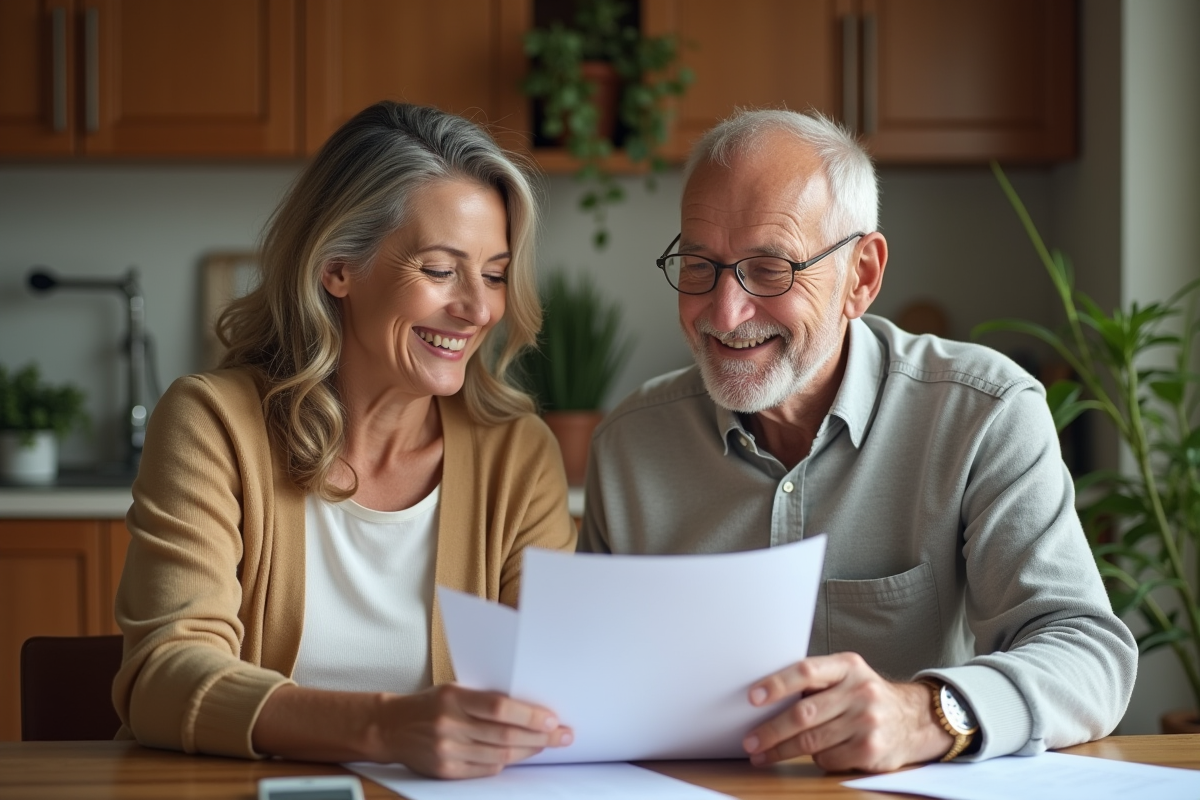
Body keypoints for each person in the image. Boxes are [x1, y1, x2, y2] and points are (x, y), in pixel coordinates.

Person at [580, 109, 1138, 772]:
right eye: (700, 265)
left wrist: (929, 713)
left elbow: (1086, 652)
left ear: (862, 277)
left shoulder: (984, 414)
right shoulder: (629, 443)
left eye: (769, 269)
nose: (724, 313)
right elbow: (589, 681)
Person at [113, 102, 576, 779]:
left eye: (496, 273)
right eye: (442, 270)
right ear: (338, 268)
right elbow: (162, 674)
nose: (479, 308)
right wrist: (385, 727)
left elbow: (552, 681)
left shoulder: (517, 452)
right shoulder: (212, 423)